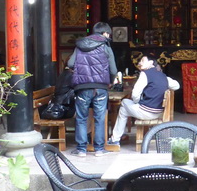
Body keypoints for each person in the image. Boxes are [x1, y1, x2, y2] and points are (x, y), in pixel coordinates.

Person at [66, 21, 117, 155]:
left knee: (82, 118)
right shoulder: (106, 47)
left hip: (82, 87)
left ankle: (81, 150)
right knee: (99, 118)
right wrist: (110, 82)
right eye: (108, 34)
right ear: (105, 33)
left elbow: (70, 63)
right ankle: (99, 149)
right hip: (100, 87)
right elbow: (113, 69)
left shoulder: (79, 46)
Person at [108, 52, 180, 147]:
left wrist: (136, 103)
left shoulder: (145, 74)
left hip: (147, 112)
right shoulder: (162, 75)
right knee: (125, 108)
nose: (140, 63)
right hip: (159, 112)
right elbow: (177, 85)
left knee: (124, 103)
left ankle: (115, 139)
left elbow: (135, 94)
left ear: (151, 63)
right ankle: (116, 138)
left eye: (142, 61)